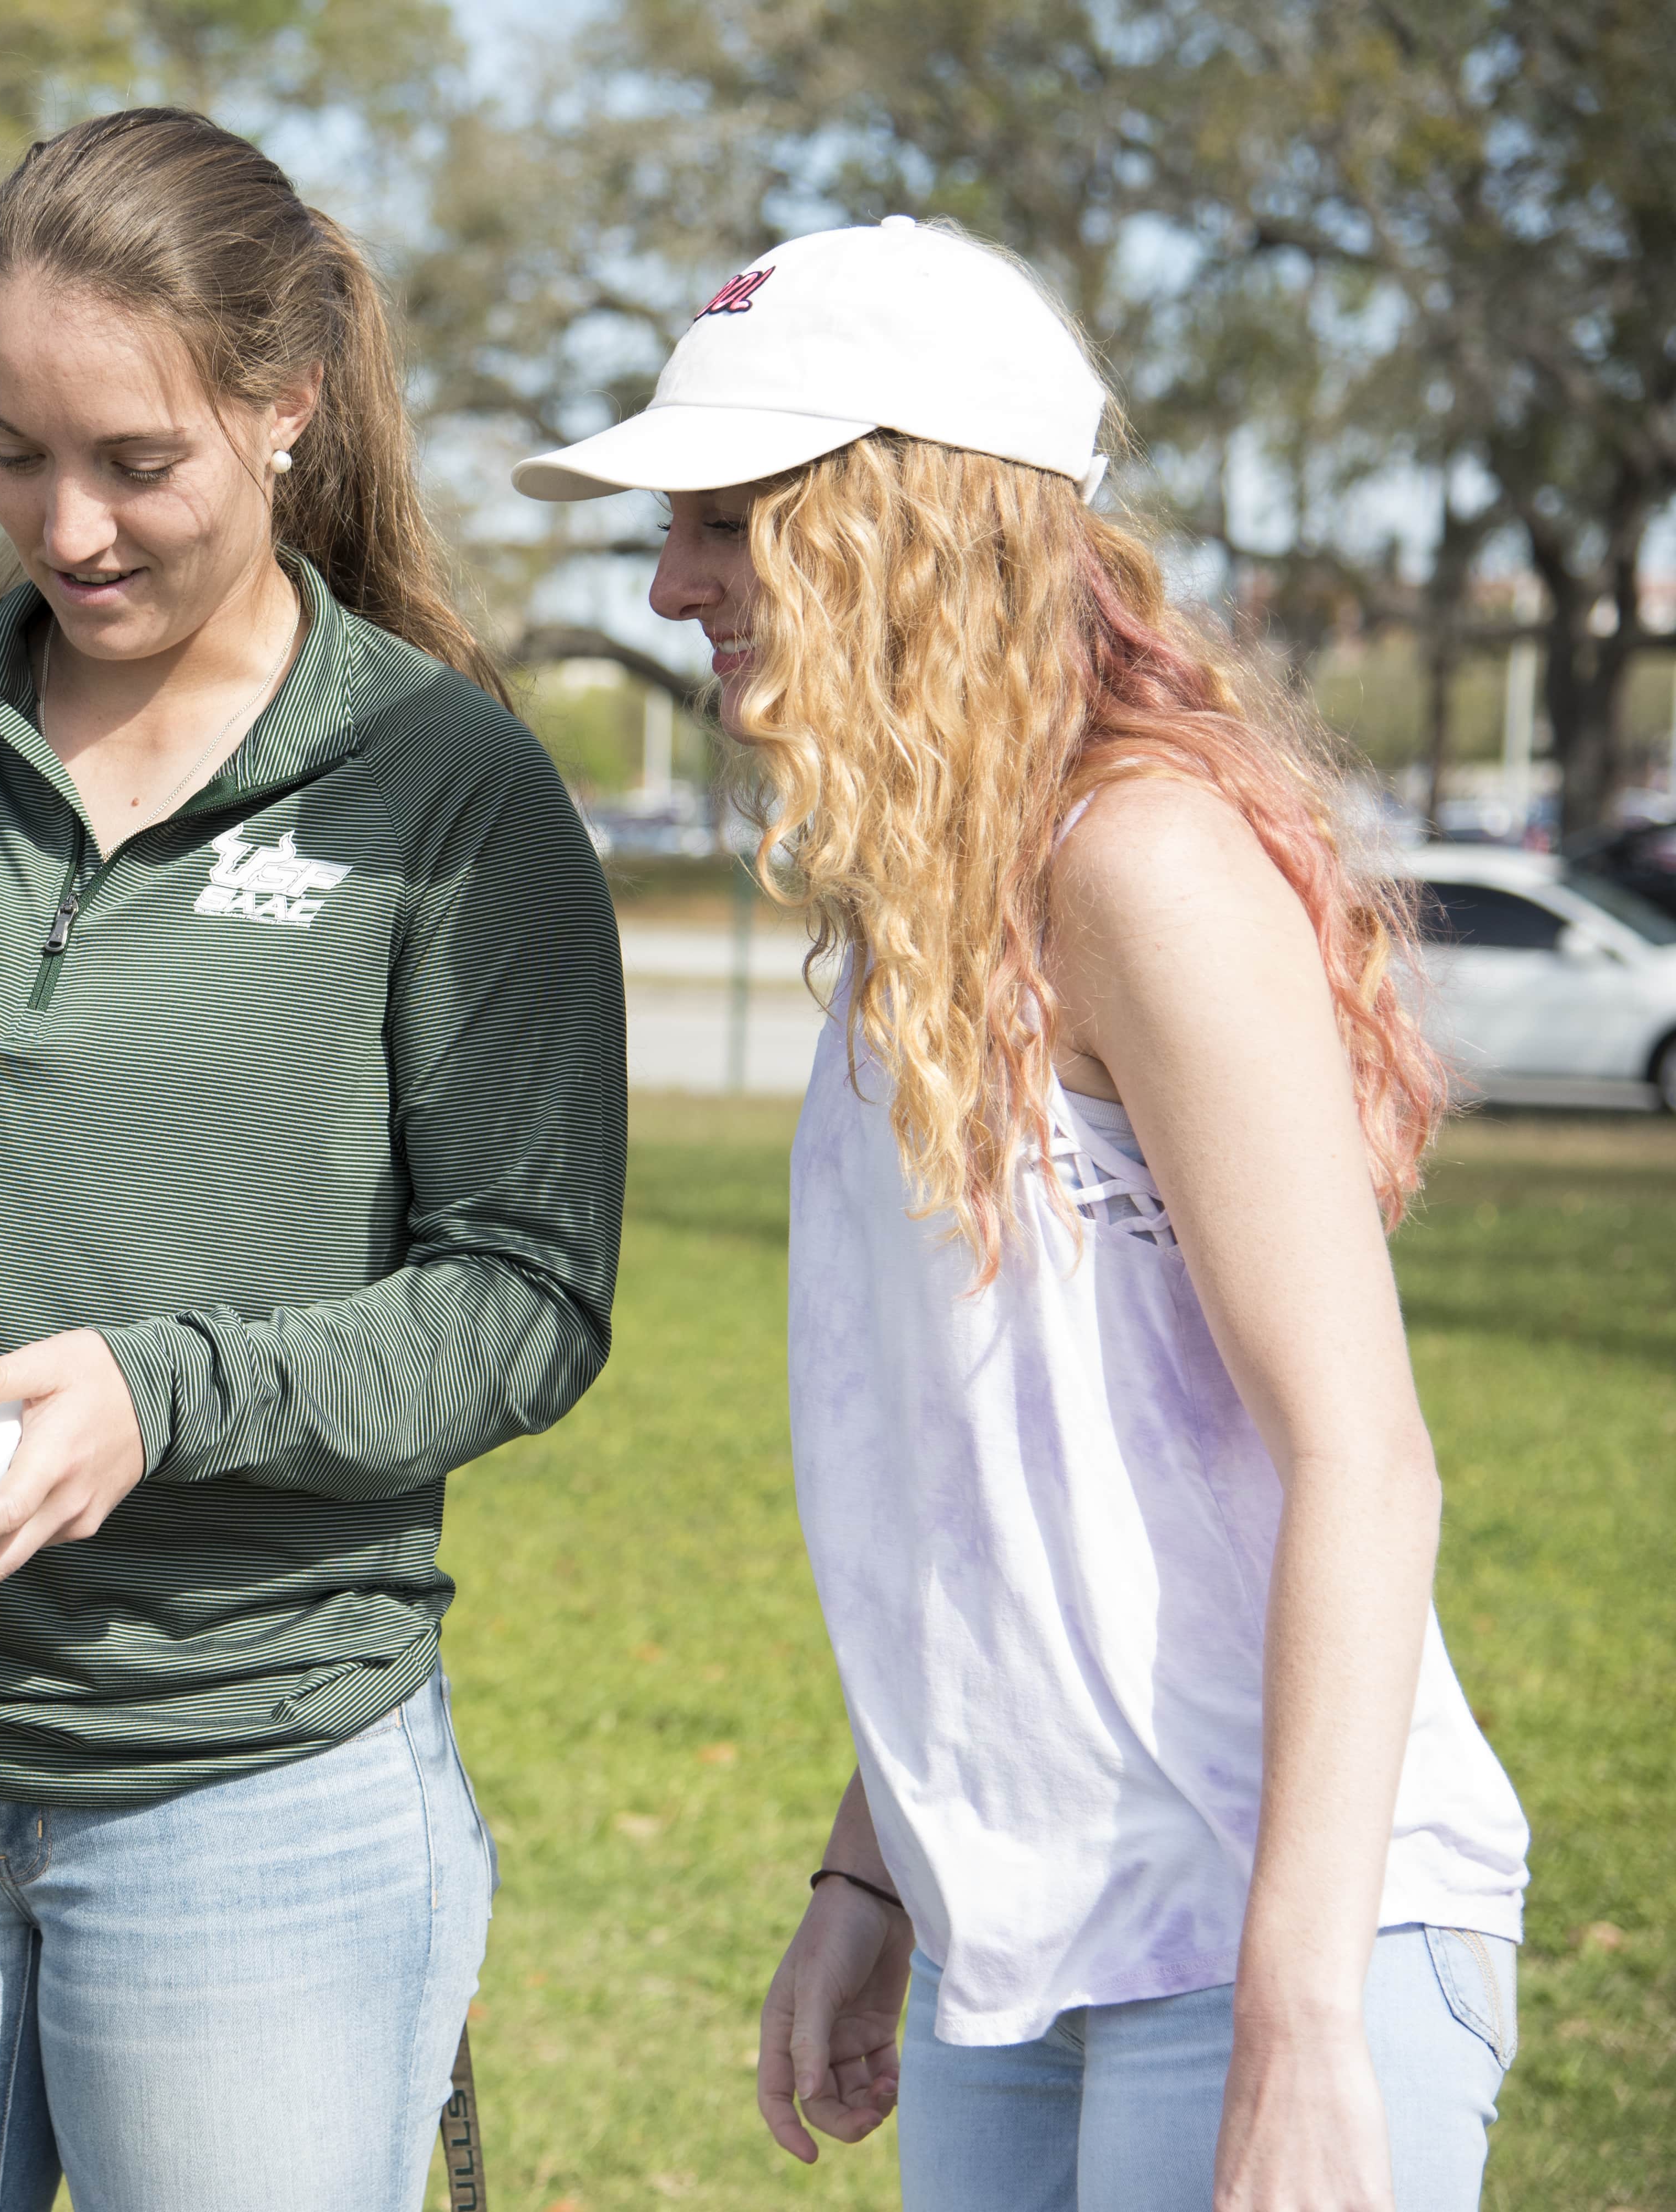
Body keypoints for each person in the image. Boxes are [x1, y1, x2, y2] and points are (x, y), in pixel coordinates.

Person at [0, 107, 628, 2212]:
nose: (64, 527)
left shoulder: (449, 793)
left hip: (251, 1781)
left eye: (132, 463)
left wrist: (156, 1402)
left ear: (285, 409)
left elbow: (526, 1300)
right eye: (11, 451)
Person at [513, 220, 1529, 2210]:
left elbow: (1367, 1461)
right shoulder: (917, 924)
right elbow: (988, 1496)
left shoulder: (1139, 865)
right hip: (1017, 1966)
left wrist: (1301, 2023)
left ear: (903, 520)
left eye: (728, 518)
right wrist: (870, 1872)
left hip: (1273, 1942)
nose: (671, 581)